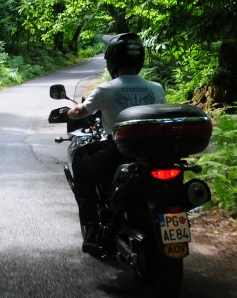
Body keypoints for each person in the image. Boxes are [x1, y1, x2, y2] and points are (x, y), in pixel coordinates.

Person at [66, 32, 165, 256]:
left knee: (82, 166)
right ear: (139, 60)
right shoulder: (156, 88)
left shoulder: (106, 89)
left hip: (121, 152)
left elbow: (80, 111)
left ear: (112, 60)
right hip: (155, 153)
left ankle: (91, 228)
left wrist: (70, 112)